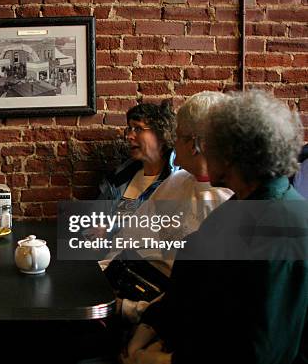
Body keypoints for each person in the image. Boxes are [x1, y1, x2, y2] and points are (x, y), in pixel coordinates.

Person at [122, 90, 308, 364]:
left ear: (233, 155)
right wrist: (146, 331)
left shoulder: (282, 228)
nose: (204, 151)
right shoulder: (240, 205)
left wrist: (161, 360)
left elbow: (258, 352)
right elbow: (189, 288)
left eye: (212, 144)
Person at [102, 92, 234, 323]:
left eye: (178, 134)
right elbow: (125, 240)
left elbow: (197, 301)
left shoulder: (228, 204)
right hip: (127, 291)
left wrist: (126, 309)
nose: (172, 141)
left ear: (195, 145)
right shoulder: (175, 182)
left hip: (158, 318)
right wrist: (98, 280)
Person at [98, 102, 177, 216]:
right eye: (129, 129)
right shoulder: (120, 175)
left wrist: (110, 230)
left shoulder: (177, 179)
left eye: (138, 129)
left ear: (161, 133)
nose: (129, 136)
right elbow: (93, 219)